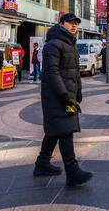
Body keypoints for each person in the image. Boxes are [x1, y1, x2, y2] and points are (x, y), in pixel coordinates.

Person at [34, 13, 93, 185]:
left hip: (67, 94)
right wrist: (65, 95)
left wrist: (78, 91)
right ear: (61, 24)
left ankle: (42, 164)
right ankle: (72, 171)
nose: (74, 26)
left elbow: (74, 72)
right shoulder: (53, 45)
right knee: (65, 130)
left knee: (55, 130)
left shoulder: (70, 43)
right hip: (58, 96)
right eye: (70, 23)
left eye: (75, 23)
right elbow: (52, 73)